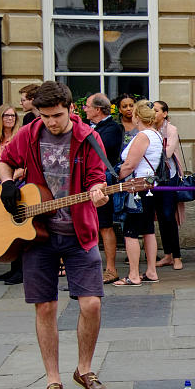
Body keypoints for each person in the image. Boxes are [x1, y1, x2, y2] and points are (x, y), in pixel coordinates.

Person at [0, 80, 111, 389]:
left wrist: (98, 194)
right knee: (45, 306)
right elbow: (5, 160)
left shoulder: (88, 138)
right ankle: (53, 380)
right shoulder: (29, 133)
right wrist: (6, 182)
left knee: (91, 304)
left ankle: (85, 371)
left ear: (71, 109)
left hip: (79, 233)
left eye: (57, 115)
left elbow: (95, 179)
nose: (51, 122)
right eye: (44, 116)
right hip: (37, 236)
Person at [114, 100, 162, 286]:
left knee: (130, 231)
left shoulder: (143, 135)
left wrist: (115, 176)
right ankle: (151, 271)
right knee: (148, 229)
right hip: (150, 185)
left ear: (137, 117)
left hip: (137, 188)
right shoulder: (156, 134)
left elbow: (130, 164)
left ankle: (133, 275)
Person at [84, 93, 123, 284]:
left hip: (102, 181)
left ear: (98, 110)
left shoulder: (112, 128)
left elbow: (97, 151)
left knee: (104, 225)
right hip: (86, 182)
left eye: (87, 106)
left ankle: (111, 269)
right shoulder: (89, 127)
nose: (84, 109)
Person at [0, 104, 23, 285]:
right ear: (0, 118)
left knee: (17, 227)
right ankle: (12, 269)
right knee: (5, 228)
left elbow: (23, 165)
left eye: (13, 116)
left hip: (16, 185)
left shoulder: (19, 138)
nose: (10, 118)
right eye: (6, 116)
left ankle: (21, 270)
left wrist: (10, 179)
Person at [153, 100, 185, 271]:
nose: (154, 113)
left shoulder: (170, 130)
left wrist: (149, 148)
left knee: (168, 216)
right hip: (154, 178)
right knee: (160, 217)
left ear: (165, 113)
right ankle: (167, 255)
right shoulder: (150, 128)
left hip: (169, 176)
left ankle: (177, 256)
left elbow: (168, 152)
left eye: (157, 110)